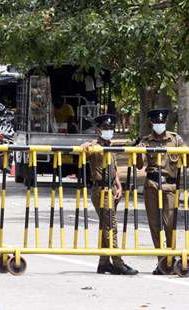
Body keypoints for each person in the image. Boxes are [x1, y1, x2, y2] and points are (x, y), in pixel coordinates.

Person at [81, 114, 138, 275]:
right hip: (101, 191)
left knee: (106, 227)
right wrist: (84, 146)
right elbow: (83, 154)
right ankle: (118, 263)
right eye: (105, 128)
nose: (109, 131)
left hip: (111, 189)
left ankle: (104, 263)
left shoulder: (110, 146)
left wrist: (119, 186)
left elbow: (113, 171)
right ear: (98, 130)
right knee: (111, 227)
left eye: (111, 128)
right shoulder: (95, 146)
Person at [136, 109, 185, 275]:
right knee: (155, 226)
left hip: (170, 187)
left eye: (162, 122)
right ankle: (161, 262)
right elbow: (139, 166)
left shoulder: (175, 139)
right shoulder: (146, 141)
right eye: (156, 122)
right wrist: (138, 151)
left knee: (170, 224)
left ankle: (171, 260)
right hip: (151, 185)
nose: (159, 125)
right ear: (151, 123)